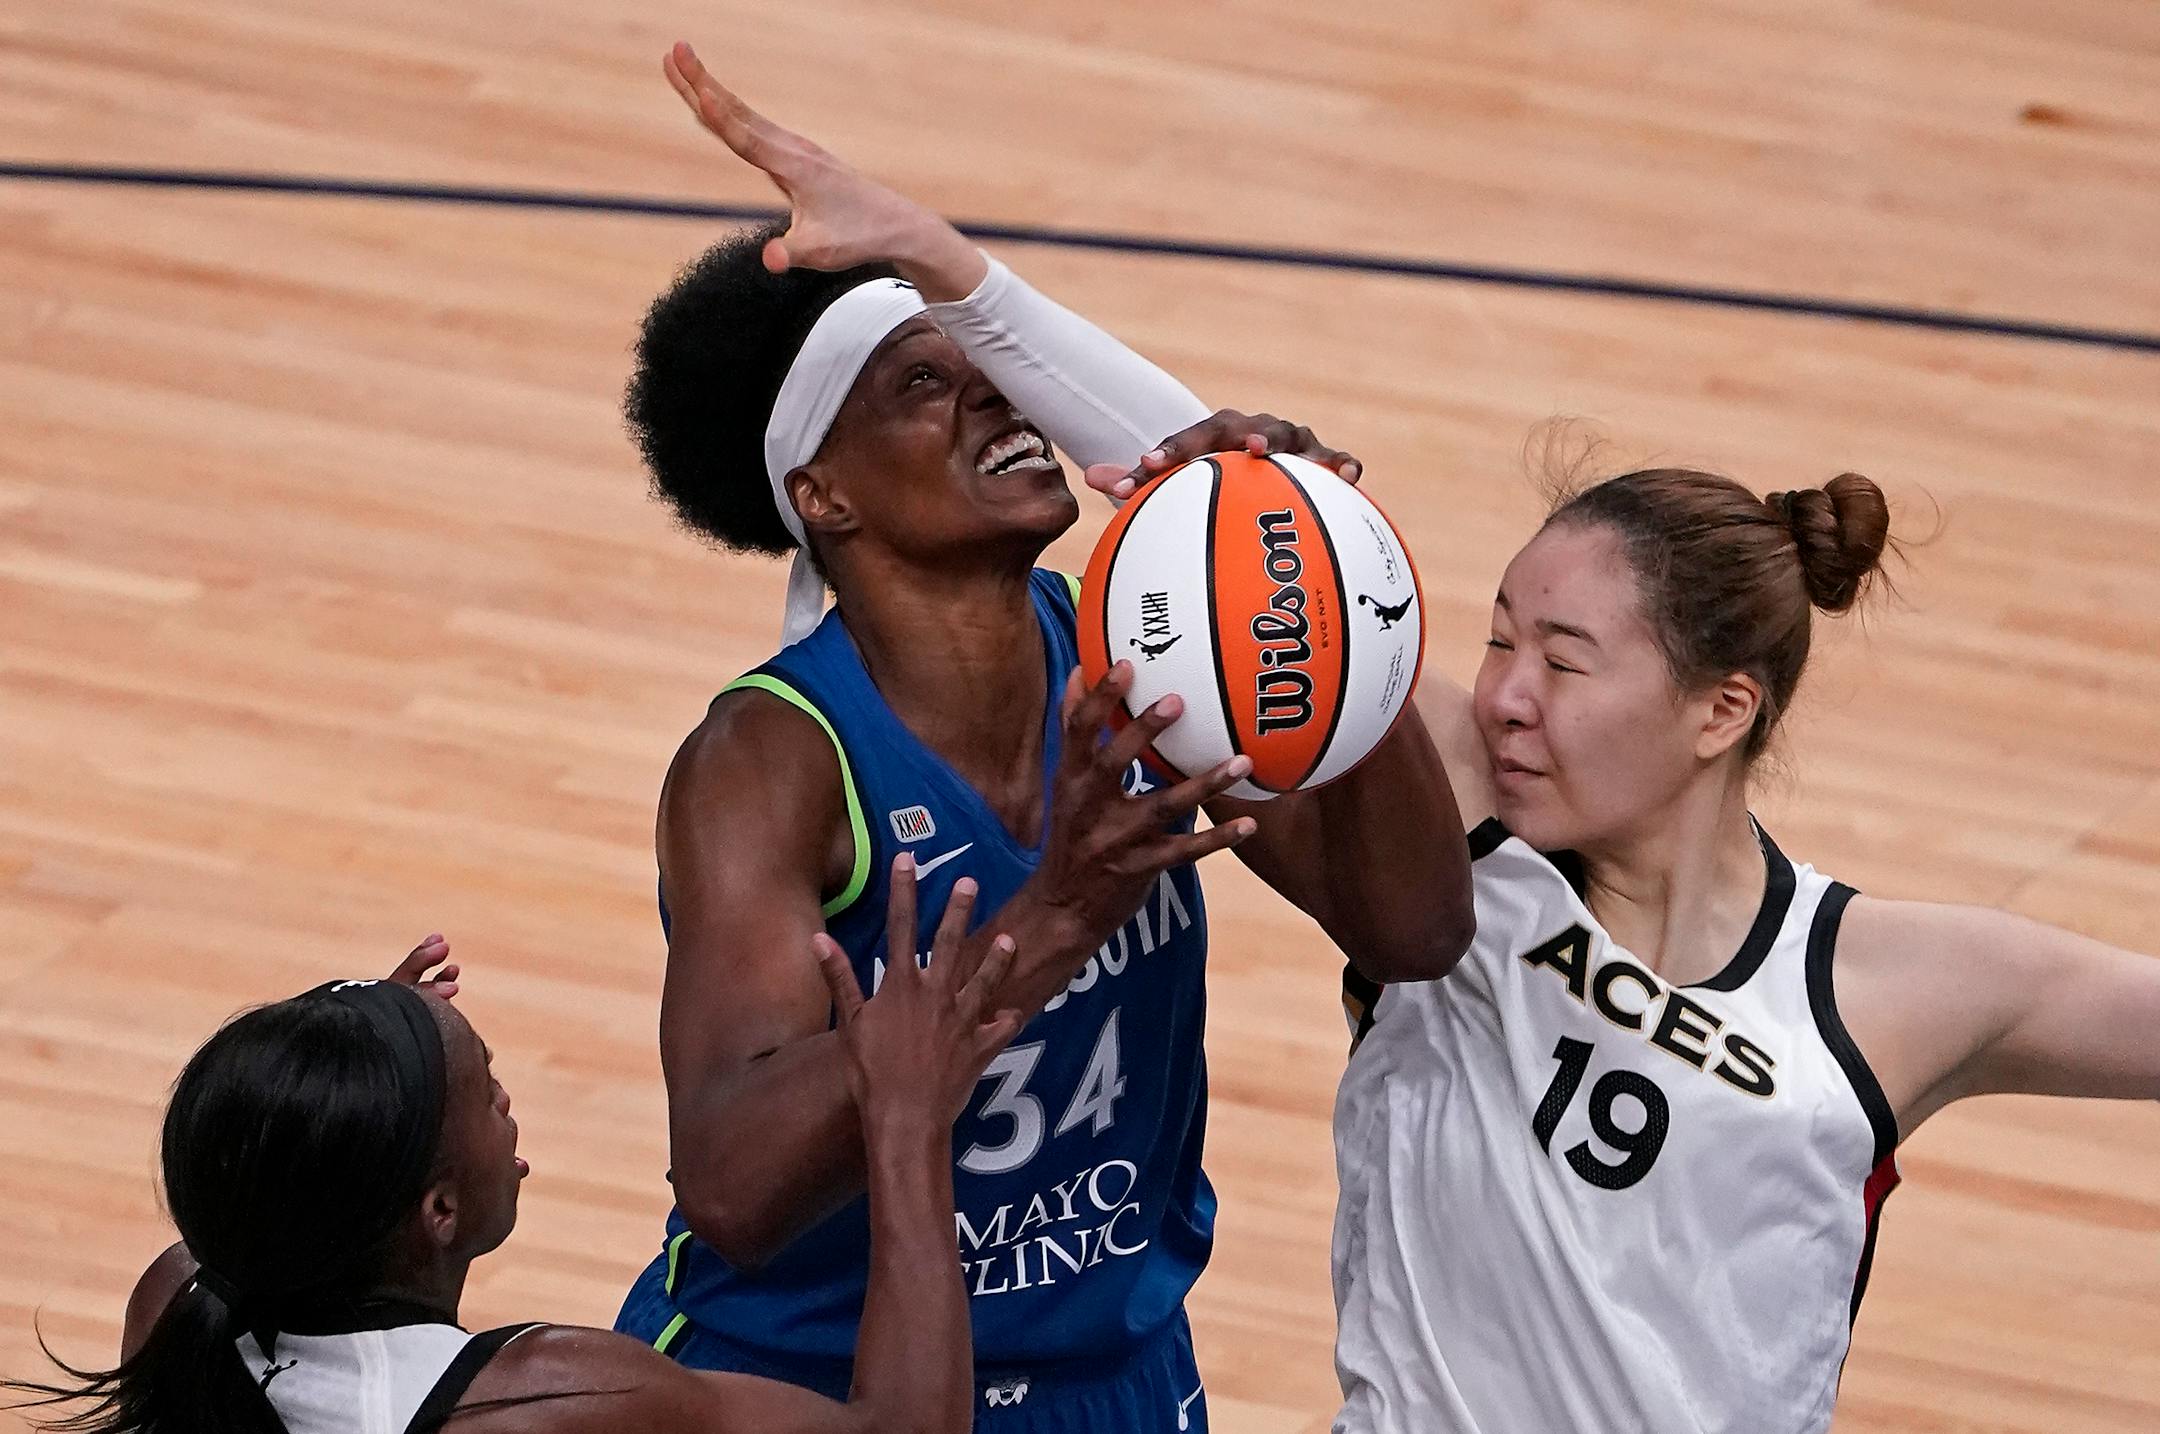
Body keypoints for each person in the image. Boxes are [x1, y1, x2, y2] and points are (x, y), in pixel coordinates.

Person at [611, 43, 1475, 1433]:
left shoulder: (1142, 659)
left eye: (990, 371)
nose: (997, 397)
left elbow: (1418, 924)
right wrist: (1056, 916)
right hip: (809, 1387)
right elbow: (732, 1181)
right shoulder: (772, 761)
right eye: (922, 384)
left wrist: (1320, 608)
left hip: (1106, 1378)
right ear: (824, 495)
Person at [1286, 462, 2160, 1433]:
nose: (1505, 697)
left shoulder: (1881, 989)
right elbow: (1234, 581)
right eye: (1499, 643)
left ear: (1722, 712)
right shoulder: (1455, 846)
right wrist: (1267, 489)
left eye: (1563, 663)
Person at [5, 899, 1022, 1434]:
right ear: (438, 1211)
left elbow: (258, 1176)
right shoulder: (547, 1402)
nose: (504, 1101)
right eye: (484, 1086)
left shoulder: (179, 1305)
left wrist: (353, 1067)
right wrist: (903, 1115)